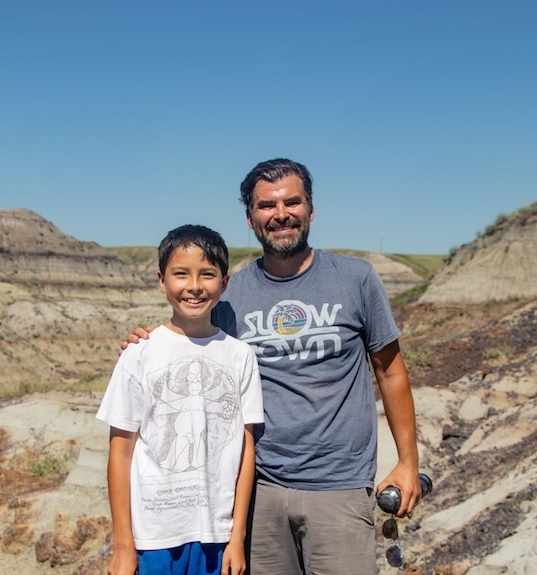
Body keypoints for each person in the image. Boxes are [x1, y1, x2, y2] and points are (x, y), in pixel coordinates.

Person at [125, 159, 421, 575]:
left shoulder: (356, 279)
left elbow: (390, 371)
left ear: (311, 209)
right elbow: (192, 347)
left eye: (292, 202)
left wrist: (409, 463)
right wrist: (146, 341)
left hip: (339, 487)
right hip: (258, 491)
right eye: (266, 206)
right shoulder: (231, 296)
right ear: (250, 218)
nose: (281, 214)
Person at [98, 224, 263, 575]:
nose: (194, 286)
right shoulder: (139, 354)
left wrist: (237, 538)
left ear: (224, 282)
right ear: (162, 280)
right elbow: (120, 451)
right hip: (154, 538)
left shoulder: (240, 356)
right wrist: (124, 546)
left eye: (207, 274)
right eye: (180, 274)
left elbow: (246, 448)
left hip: (217, 537)